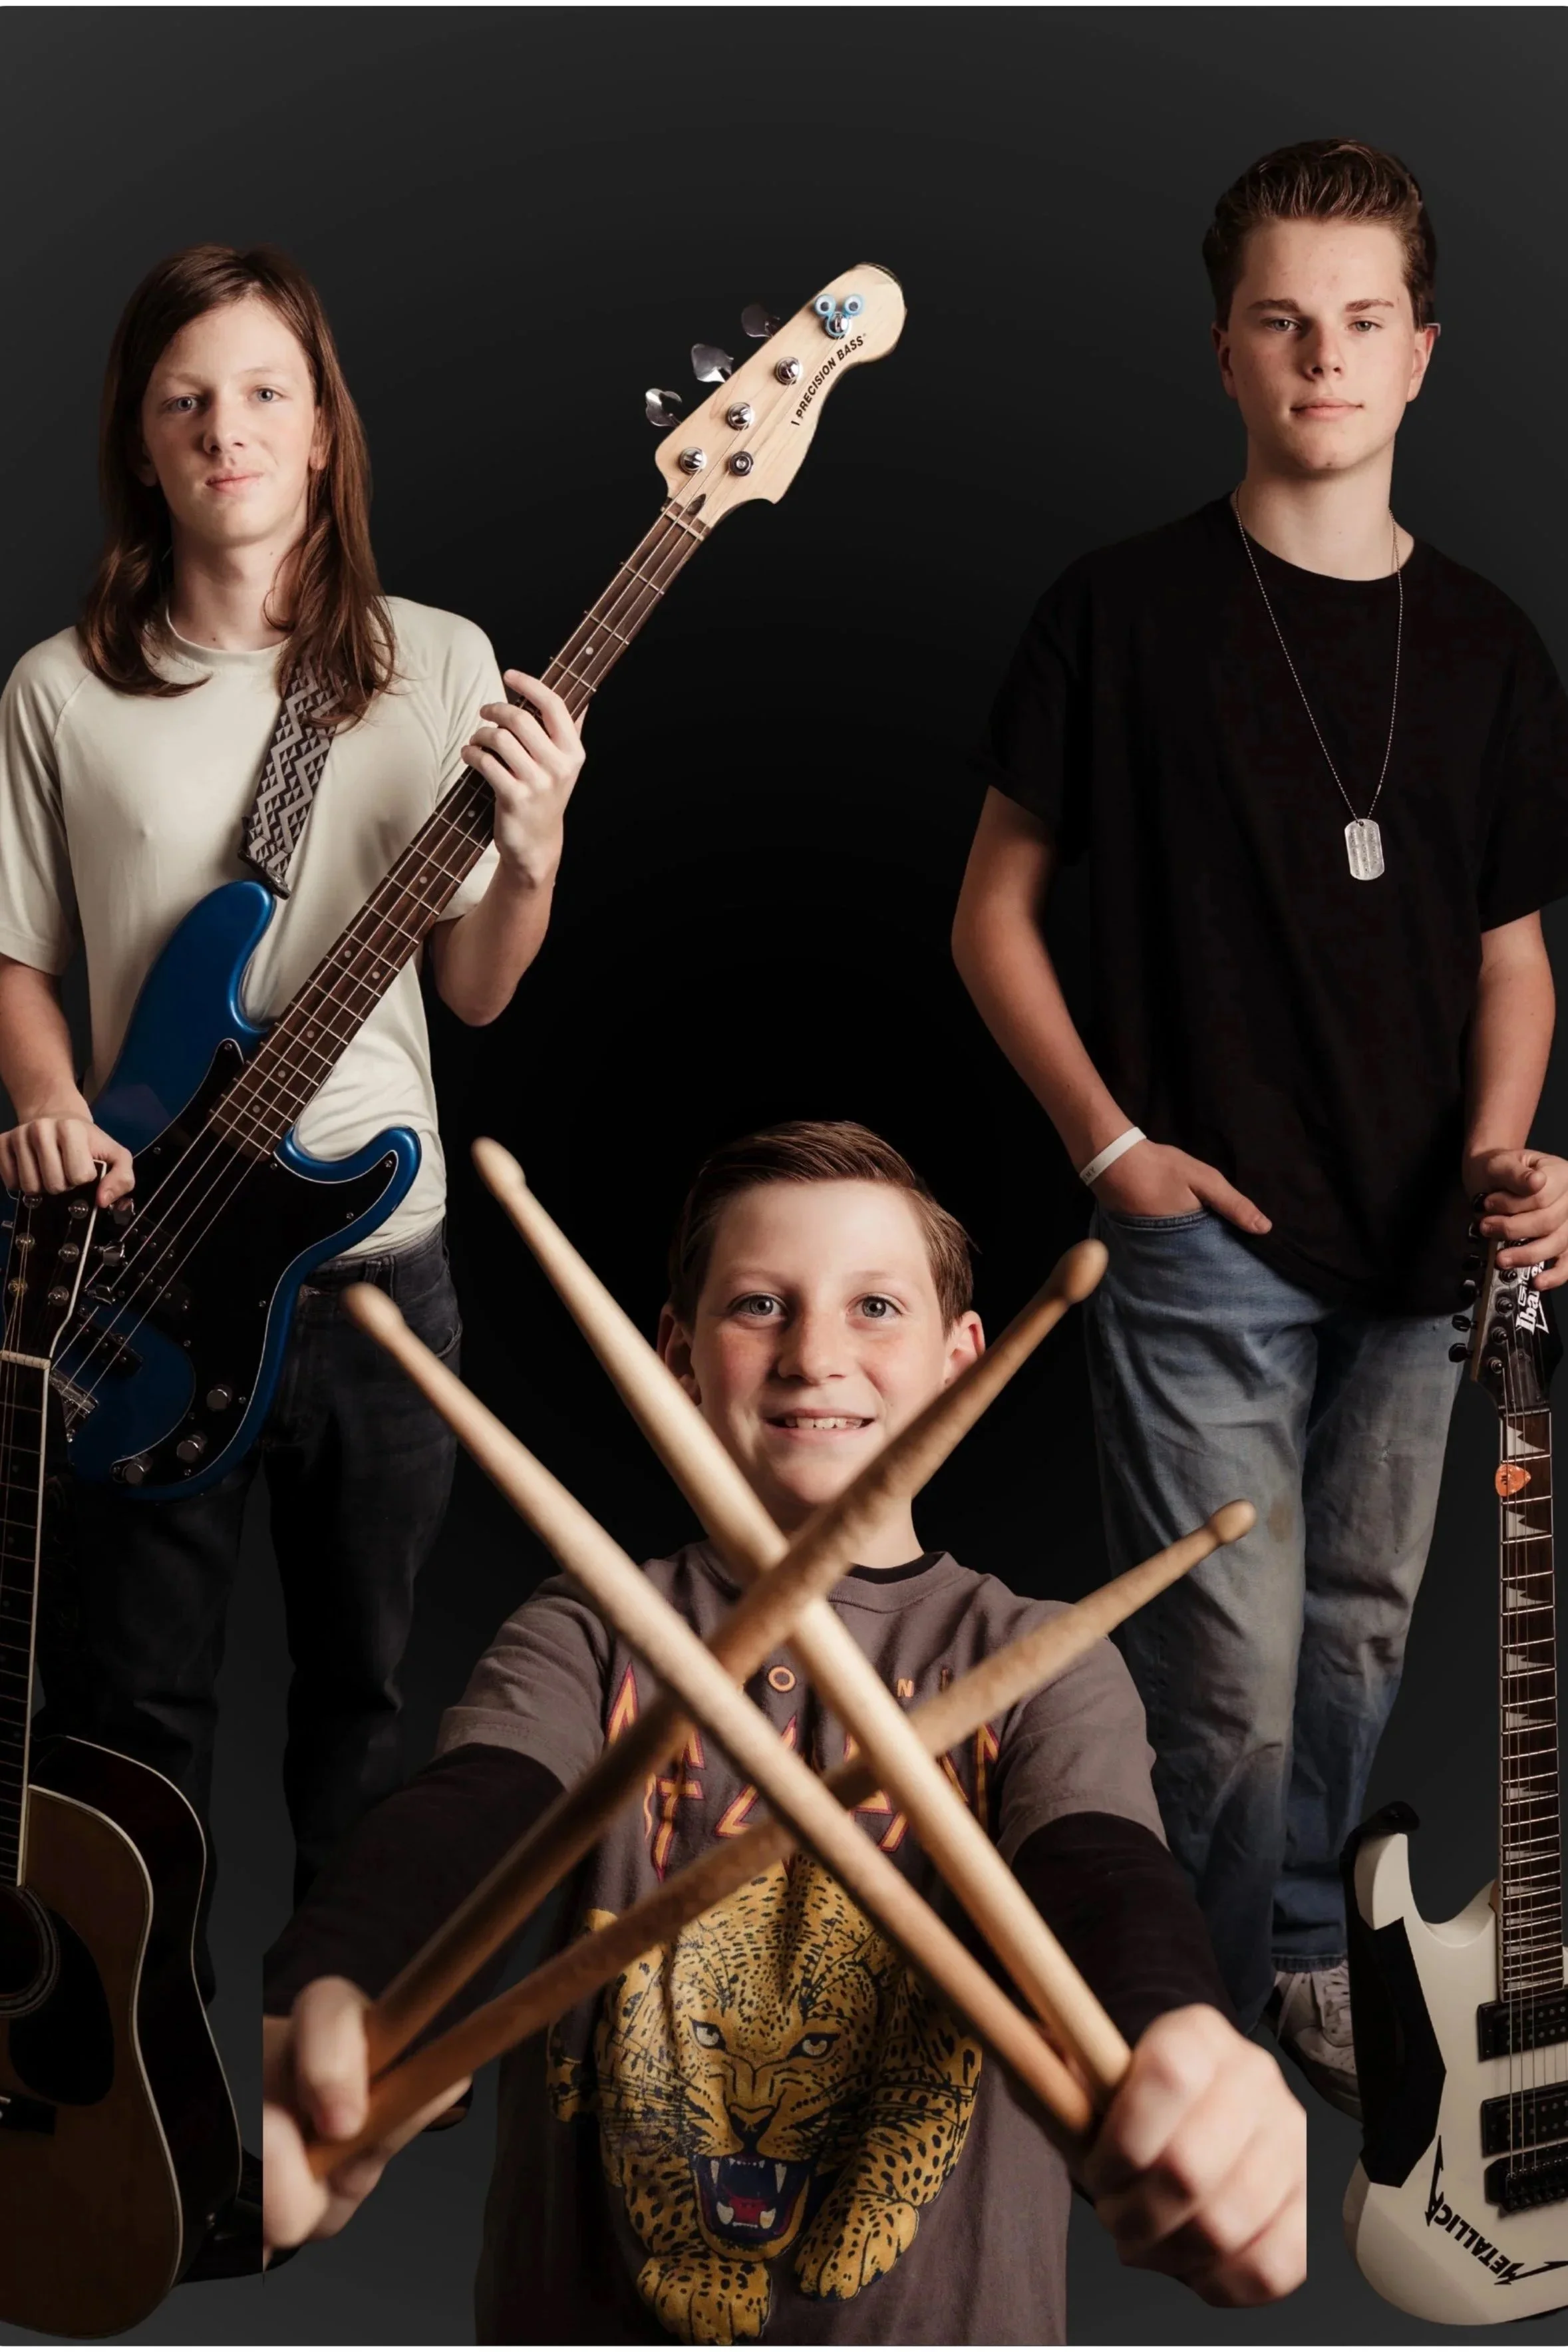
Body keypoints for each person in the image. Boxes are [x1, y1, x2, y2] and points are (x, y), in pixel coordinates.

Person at [262, 1119, 1305, 2344]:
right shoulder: (598, 1626)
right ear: (676, 1357)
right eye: (761, 1305)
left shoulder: (1037, 1659)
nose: (816, 1356)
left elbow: (1104, 1880)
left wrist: (1180, 2036)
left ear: (965, 1361)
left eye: (876, 1306)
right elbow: (467, 1818)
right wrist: (334, 1989)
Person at [951, 139, 1568, 2119]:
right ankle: (1193, 2027)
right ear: (1226, 350)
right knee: (1218, 1661)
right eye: (1283, 320)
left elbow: (1512, 957)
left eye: (1361, 321)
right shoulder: (1118, 613)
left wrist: (1503, 1158)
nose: (1324, 355)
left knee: (1356, 1633)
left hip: (1418, 1248)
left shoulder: (1482, 643)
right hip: (1199, 1220)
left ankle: (1296, 1948)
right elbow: (987, 915)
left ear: (1418, 355)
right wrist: (1107, 1146)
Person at [0, 244, 584, 2260]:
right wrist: (49, 1099)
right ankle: (125, 2112)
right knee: (126, 1716)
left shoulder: (433, 661)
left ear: (323, 429)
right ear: (141, 448)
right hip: (144, 1273)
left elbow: (483, 996)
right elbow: (18, 958)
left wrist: (541, 838)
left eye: (264, 393)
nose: (228, 431)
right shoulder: (64, 693)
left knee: (358, 1703)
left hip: (378, 1276)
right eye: (187, 402)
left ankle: (321, 2110)